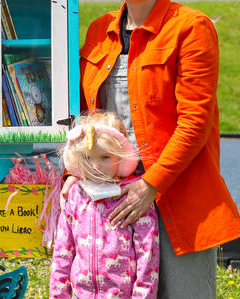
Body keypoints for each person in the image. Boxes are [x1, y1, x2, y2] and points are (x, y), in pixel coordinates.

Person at [62, 0, 240, 298]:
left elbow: (195, 120)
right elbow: (84, 114)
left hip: (173, 191)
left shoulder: (191, 27)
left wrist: (151, 184)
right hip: (108, 192)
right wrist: (72, 172)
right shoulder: (100, 32)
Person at [50, 111, 159, 298]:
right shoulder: (75, 195)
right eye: (88, 158)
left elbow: (147, 256)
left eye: (105, 157)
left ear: (122, 158)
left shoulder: (133, 198)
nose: (96, 166)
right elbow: (62, 252)